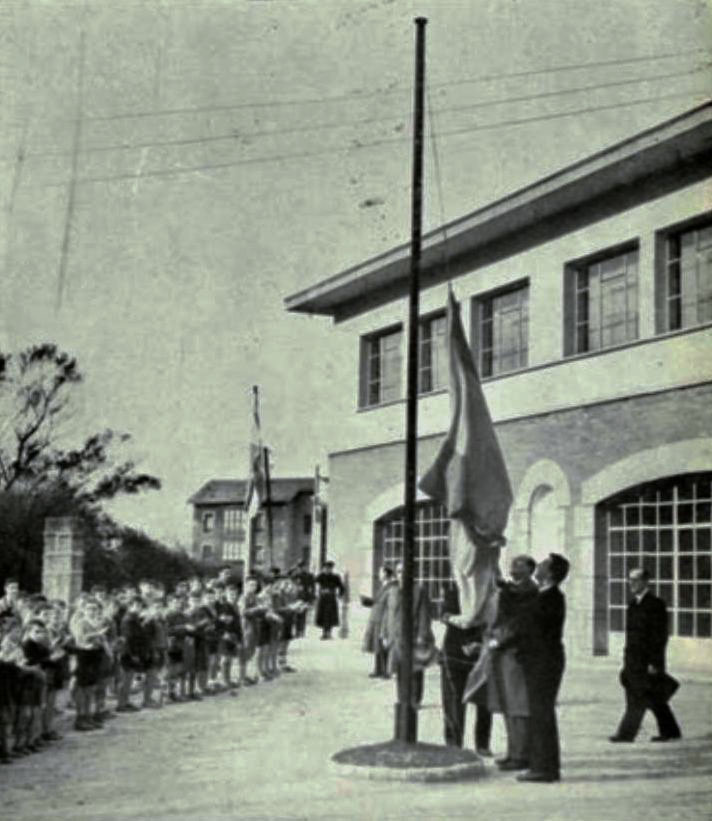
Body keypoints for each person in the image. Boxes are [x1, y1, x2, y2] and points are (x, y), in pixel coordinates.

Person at [609, 567, 682, 744]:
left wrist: (654, 662)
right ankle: (671, 731)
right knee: (654, 698)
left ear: (645, 582)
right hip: (633, 660)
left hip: (648, 661)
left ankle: (626, 734)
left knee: (638, 698)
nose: (631, 584)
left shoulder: (656, 604)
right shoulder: (633, 605)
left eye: (636, 580)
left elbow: (659, 636)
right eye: (630, 580)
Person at [516, 553, 569, 784]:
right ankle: (544, 766)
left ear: (550, 573)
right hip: (541, 661)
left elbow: (531, 630)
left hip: (543, 663)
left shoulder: (550, 598)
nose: (537, 566)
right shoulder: (545, 596)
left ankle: (543, 769)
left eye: (543, 564)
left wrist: (500, 642)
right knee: (541, 713)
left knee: (541, 714)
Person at [487, 555, 539, 772]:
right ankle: (513, 751)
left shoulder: (529, 591)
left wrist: (500, 639)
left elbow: (519, 623)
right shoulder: (512, 589)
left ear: (530, 570)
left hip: (516, 653)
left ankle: (521, 754)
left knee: (518, 705)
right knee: (508, 704)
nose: (513, 566)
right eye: (513, 563)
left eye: (520, 564)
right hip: (504, 653)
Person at [439, 580, 493, 756]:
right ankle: (454, 743)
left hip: (481, 652)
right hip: (454, 651)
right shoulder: (453, 589)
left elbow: (494, 621)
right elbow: (444, 615)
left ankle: (482, 744)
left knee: (484, 701)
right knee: (453, 699)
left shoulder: (490, 592)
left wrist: (480, 642)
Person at [380, 562, 436, 707]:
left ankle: (415, 699)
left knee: (416, 668)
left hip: (414, 635)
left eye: (404, 571)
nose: (401, 575)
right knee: (400, 669)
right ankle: (402, 698)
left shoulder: (419, 590)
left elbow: (424, 613)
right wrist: (384, 633)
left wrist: (422, 635)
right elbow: (387, 614)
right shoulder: (392, 591)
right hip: (397, 636)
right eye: (398, 572)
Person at [361, 565, 396, 679]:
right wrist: (367, 601)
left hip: (383, 618)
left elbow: (388, 604)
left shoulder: (391, 587)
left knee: (383, 644)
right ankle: (378, 669)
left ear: (386, 574)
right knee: (377, 645)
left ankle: (386, 670)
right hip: (376, 618)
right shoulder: (384, 587)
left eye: (381, 572)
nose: (379, 574)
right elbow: (378, 601)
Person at [315, 561, 344, 640]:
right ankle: (324, 633)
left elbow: (341, 587)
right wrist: (317, 593)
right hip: (323, 598)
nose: (328, 570)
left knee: (330, 615)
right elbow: (315, 583)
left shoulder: (335, 577)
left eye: (329, 568)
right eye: (326, 568)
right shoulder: (321, 576)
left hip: (331, 598)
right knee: (323, 615)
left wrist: (340, 595)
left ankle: (329, 633)